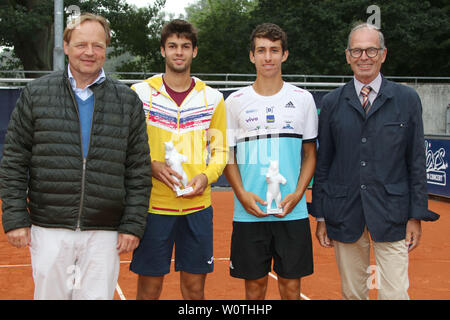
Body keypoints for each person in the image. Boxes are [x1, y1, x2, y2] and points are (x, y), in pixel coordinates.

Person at [0, 13, 152, 300]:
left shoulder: (127, 100)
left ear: (106, 49)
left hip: (104, 232)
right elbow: (14, 160)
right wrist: (16, 217)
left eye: (98, 45)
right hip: (48, 227)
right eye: (81, 44)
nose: (90, 52)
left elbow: (138, 169)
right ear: (66, 46)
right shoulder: (36, 93)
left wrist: (132, 224)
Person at [311, 22, 439, 300]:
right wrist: (321, 215)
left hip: (393, 213)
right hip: (344, 212)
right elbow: (324, 163)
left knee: (395, 295)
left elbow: (416, 160)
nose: (364, 57)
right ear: (347, 56)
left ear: (383, 54)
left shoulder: (406, 99)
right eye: (357, 50)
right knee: (353, 294)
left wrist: (416, 215)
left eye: (371, 50)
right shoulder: (333, 102)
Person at [129, 19, 228, 300]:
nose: (179, 52)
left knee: (195, 290)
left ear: (194, 51)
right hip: (153, 206)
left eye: (185, 46)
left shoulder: (213, 98)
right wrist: (150, 165)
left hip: (198, 207)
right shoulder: (140, 94)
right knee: (149, 289)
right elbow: (129, 147)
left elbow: (220, 152)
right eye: (172, 46)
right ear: (162, 50)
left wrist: (206, 177)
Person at [224, 23, 318, 300]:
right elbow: (227, 156)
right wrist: (241, 195)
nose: (268, 57)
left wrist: (299, 193)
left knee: (291, 287)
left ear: (284, 54)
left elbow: (310, 154)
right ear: (252, 56)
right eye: (262, 50)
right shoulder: (234, 102)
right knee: (254, 288)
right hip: (249, 211)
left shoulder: (303, 99)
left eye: (274, 50)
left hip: (293, 211)